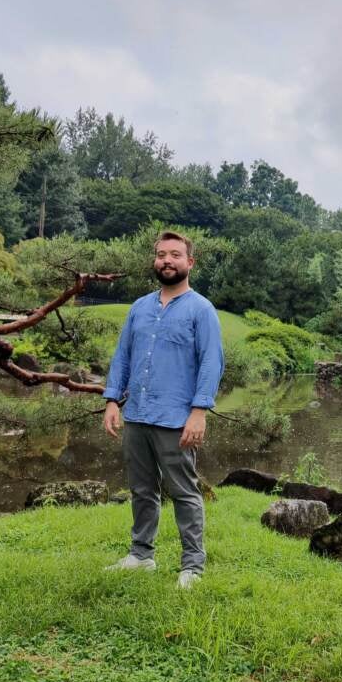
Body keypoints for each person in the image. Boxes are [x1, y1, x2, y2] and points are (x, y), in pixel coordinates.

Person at [102, 231, 224, 590]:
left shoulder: (201, 310)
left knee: (184, 491)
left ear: (190, 263)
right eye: (160, 255)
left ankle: (192, 566)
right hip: (137, 414)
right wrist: (112, 401)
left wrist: (199, 411)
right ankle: (141, 555)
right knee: (142, 489)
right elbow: (122, 356)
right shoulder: (140, 308)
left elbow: (211, 363)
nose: (166, 260)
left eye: (175, 254)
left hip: (176, 418)